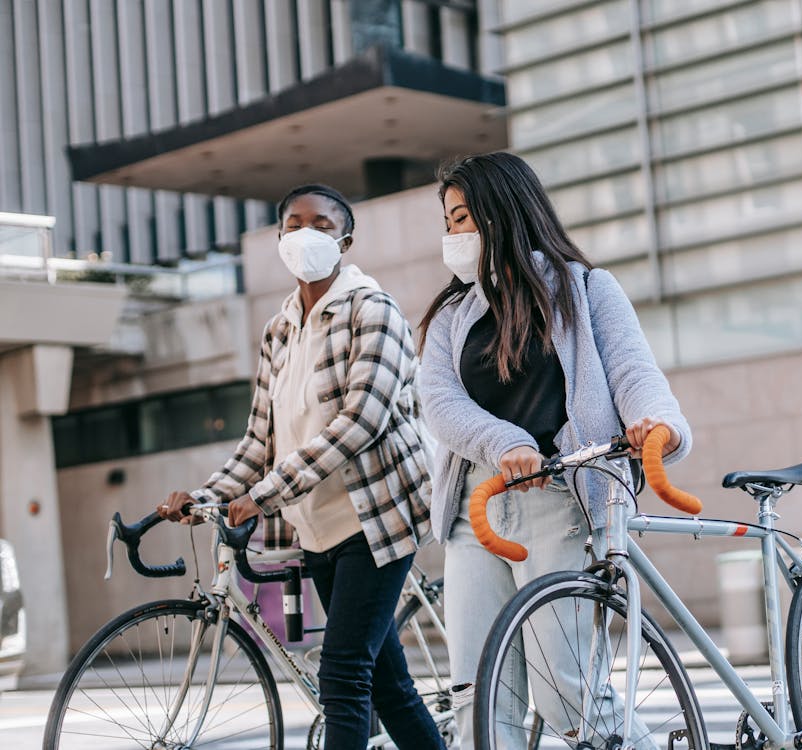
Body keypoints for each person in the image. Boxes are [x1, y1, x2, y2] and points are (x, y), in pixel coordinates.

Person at [417, 152, 692, 749]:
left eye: (462, 218)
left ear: (501, 214)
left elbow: (634, 373)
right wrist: (504, 441)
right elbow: (439, 401)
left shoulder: (585, 288)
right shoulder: (451, 315)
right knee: (478, 701)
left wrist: (658, 425)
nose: (452, 234)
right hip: (477, 509)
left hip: (559, 502)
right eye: (448, 220)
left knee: (566, 692)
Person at [157, 184, 445, 750]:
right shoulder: (279, 330)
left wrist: (265, 494)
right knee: (389, 687)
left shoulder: (373, 310)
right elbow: (258, 441)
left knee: (341, 676)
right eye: (294, 224)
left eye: (320, 224)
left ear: (346, 240)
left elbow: (361, 421)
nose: (306, 234)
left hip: (378, 520)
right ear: (280, 238)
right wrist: (204, 496)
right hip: (316, 530)